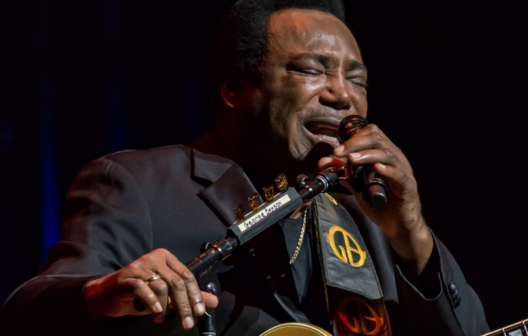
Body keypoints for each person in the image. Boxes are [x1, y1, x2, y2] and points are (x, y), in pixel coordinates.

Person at [0, 1, 489, 335]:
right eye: (312, 70)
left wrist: (414, 236)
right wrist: (98, 294)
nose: (342, 94)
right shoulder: (140, 183)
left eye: (356, 79)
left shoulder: (371, 217)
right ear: (236, 89)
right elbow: (27, 314)